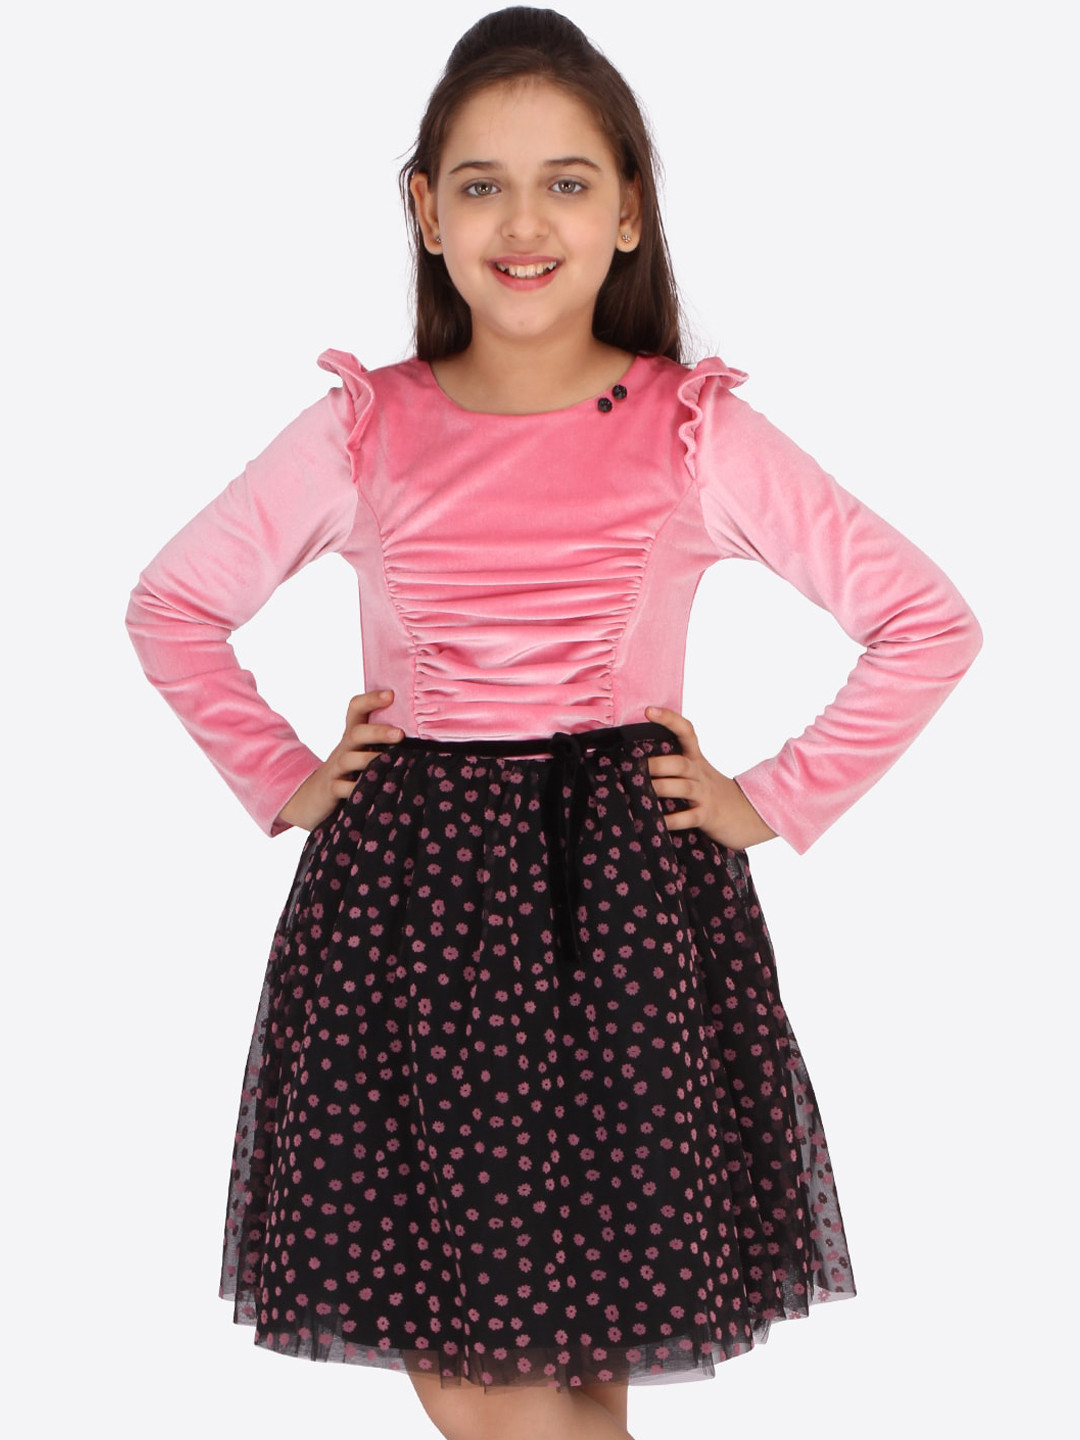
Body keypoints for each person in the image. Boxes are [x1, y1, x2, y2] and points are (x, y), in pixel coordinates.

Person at [125, 7, 982, 1439]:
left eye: (568, 182)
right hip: (408, 918)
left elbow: (925, 621)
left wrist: (774, 797)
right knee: (480, 1363)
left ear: (630, 209)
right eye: (482, 184)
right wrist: (280, 772)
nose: (524, 222)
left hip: (621, 912)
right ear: (427, 212)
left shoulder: (691, 429)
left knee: (561, 1369)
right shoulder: (365, 428)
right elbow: (172, 605)